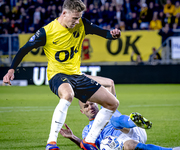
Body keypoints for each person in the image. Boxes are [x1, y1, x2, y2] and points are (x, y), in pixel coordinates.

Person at [2, 0, 121, 150]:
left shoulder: (82, 24)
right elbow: (24, 49)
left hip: (77, 75)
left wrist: (113, 35)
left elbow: (103, 33)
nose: (77, 21)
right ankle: (51, 143)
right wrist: (12, 69)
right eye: (74, 18)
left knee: (113, 103)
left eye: (79, 18)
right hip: (57, 75)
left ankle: (89, 141)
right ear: (64, 13)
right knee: (67, 95)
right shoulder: (47, 31)